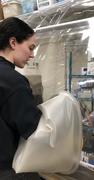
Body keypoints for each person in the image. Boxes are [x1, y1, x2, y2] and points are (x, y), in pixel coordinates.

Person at [0, 17, 43, 179]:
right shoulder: (14, 81)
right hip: (9, 169)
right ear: (13, 43)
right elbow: (32, 129)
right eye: (30, 48)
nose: (32, 55)